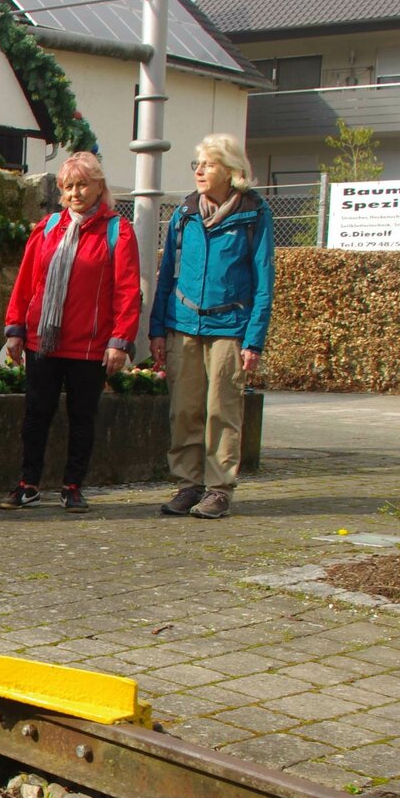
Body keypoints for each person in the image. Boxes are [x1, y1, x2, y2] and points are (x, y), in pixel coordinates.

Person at [0, 150, 140, 513]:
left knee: (82, 417)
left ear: (98, 187)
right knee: (36, 413)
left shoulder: (117, 232)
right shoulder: (47, 229)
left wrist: (120, 340)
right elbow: (27, 282)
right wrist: (15, 328)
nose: (75, 193)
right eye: (68, 186)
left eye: (82, 185)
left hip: (89, 344)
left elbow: (126, 290)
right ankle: (28, 483)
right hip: (42, 340)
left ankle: (73, 485)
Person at [149, 133, 274, 520]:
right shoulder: (185, 214)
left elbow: (263, 280)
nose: (200, 171)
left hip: (230, 328)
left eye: (210, 164)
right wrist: (157, 330)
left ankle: (219, 489)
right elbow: (166, 274)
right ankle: (188, 485)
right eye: (198, 164)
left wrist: (254, 340)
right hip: (182, 325)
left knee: (222, 411)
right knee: (184, 411)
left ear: (232, 171)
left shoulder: (254, 214)